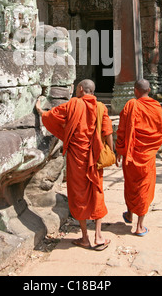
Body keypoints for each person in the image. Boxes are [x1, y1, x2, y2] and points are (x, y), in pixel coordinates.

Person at [35, 79, 113, 250]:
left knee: (79, 196)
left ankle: (85, 237)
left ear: (80, 89)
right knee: (96, 192)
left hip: (77, 159)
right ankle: (99, 236)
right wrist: (111, 153)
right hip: (95, 159)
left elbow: (53, 115)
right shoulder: (101, 107)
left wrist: (41, 111)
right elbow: (108, 133)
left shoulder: (74, 104)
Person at [115, 79, 162, 236]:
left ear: (135, 90)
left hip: (131, 155)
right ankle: (139, 226)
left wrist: (119, 151)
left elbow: (121, 130)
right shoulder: (156, 107)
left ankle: (130, 213)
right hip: (147, 156)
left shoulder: (131, 105)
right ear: (149, 90)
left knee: (131, 185)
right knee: (144, 187)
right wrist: (152, 148)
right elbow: (161, 131)